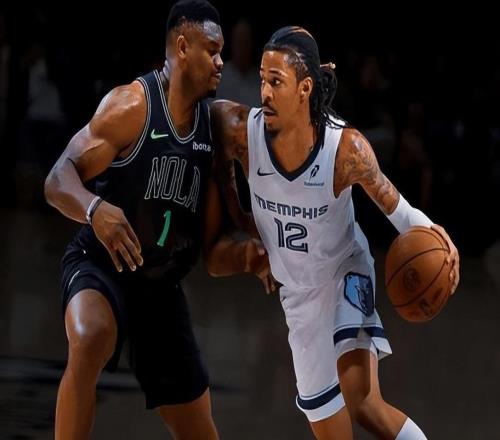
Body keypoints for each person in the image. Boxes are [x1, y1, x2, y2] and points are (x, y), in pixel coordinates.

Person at [206, 26, 460, 439]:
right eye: (262, 80)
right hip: (297, 296)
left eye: (276, 82)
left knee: (362, 401)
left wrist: (440, 240)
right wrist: (242, 219)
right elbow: (204, 136)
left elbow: (398, 211)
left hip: (345, 272)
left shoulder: (345, 149)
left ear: (305, 88)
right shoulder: (236, 128)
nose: (264, 93)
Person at [44, 1, 224, 438]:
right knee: (90, 338)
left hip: (160, 286)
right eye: (212, 50)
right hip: (102, 263)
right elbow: (56, 179)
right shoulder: (131, 106)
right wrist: (93, 209)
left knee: (199, 430)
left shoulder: (214, 123)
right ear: (182, 47)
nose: (221, 62)